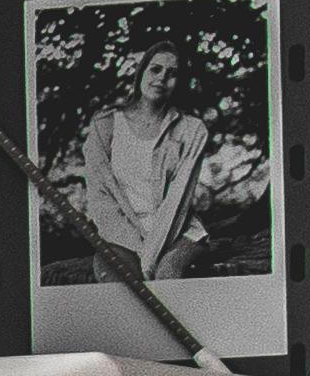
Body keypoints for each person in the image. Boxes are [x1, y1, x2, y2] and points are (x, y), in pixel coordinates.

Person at [70, 44, 215, 281]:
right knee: (115, 279)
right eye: (155, 69)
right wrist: (140, 247)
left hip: (178, 234)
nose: (161, 78)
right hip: (122, 235)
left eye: (172, 73)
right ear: (141, 73)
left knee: (167, 273)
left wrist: (152, 254)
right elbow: (100, 199)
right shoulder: (106, 125)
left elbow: (182, 200)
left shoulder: (191, 129)